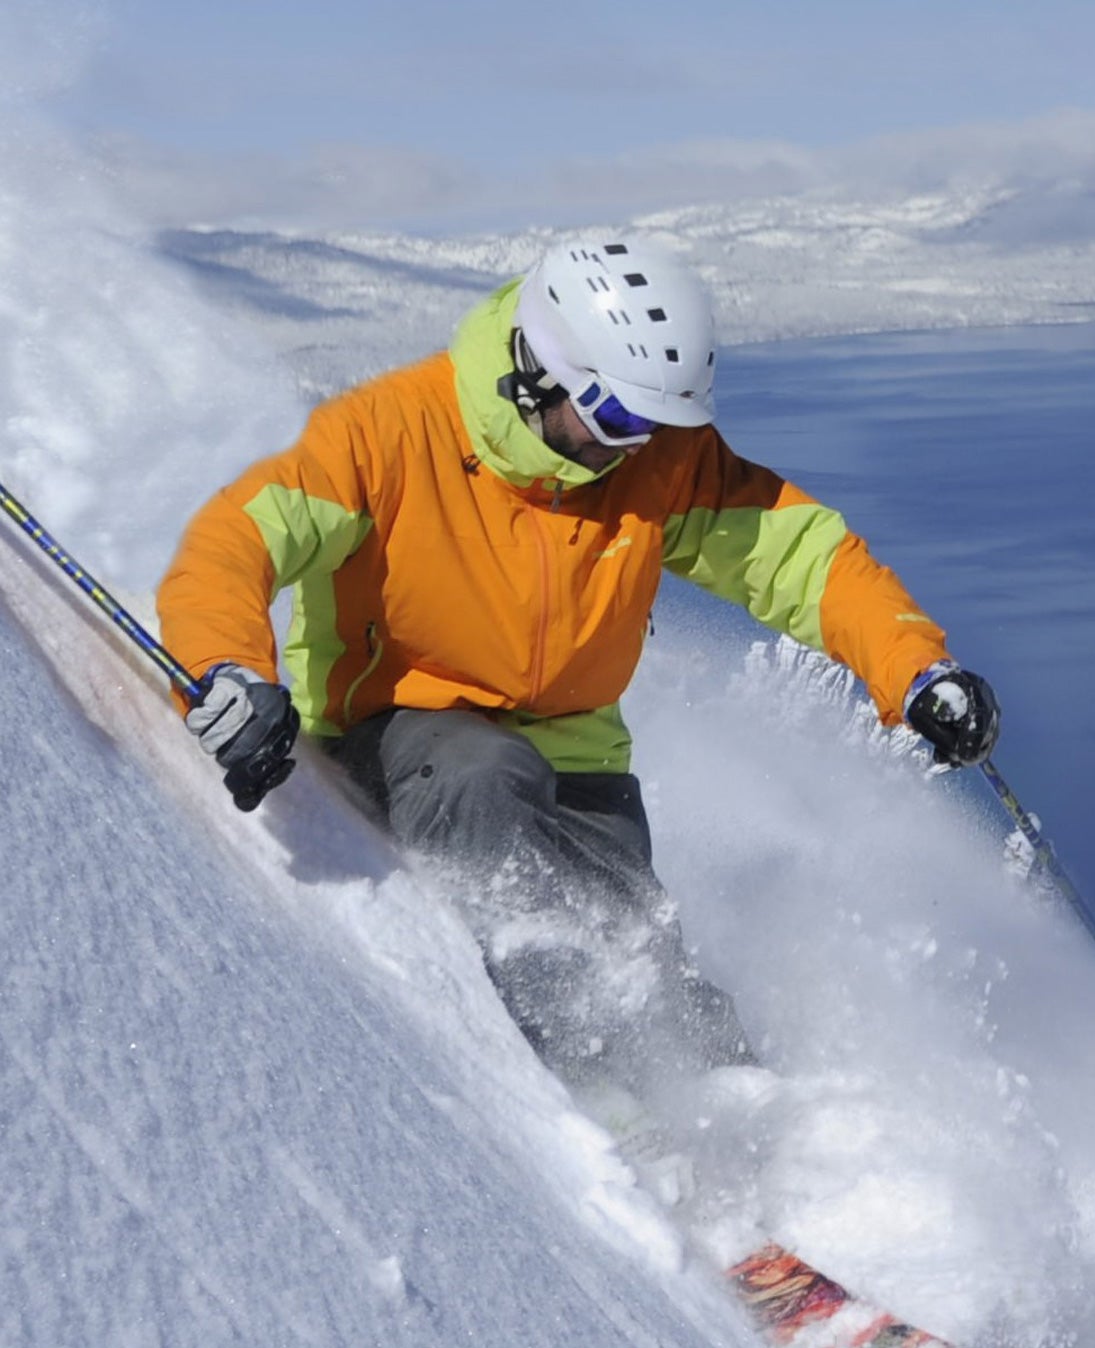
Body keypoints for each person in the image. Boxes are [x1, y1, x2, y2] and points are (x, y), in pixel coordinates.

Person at [158, 234, 999, 1085]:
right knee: (490, 795)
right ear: (540, 372)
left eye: (656, 424)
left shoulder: (653, 464)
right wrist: (230, 665)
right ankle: (580, 1102)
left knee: (649, 964)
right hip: (405, 741)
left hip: (574, 761)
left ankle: (749, 1134)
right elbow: (235, 543)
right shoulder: (386, 436)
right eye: (620, 419)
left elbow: (800, 558)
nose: (636, 447)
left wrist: (917, 670)